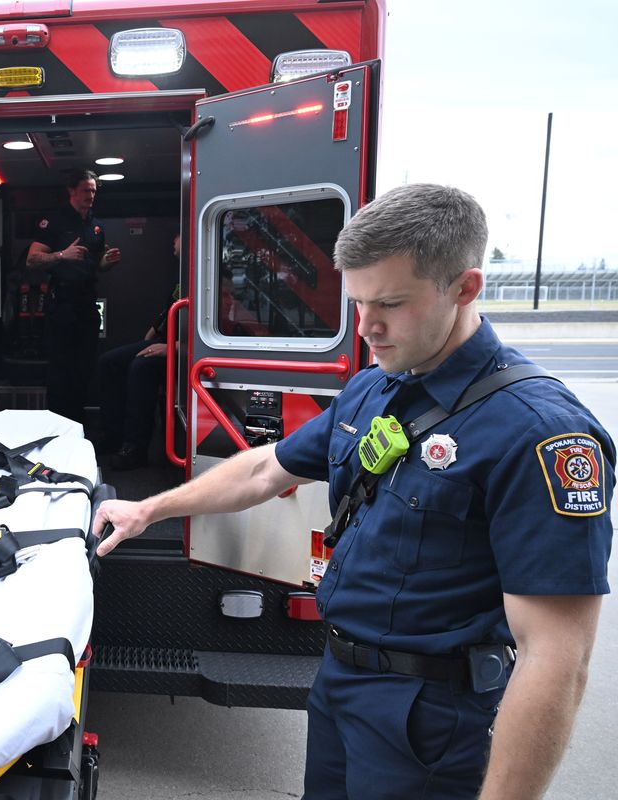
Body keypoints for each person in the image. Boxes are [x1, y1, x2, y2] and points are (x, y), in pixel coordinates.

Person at [93, 184, 614, 799]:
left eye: (391, 303)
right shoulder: (377, 389)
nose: (367, 328)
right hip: (339, 680)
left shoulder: (539, 433)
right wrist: (149, 509)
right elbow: (267, 470)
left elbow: (556, 658)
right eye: (358, 303)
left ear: (466, 288)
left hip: (429, 716)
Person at [26, 169, 122, 422]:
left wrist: (107, 261)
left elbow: (98, 265)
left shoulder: (96, 226)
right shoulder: (54, 221)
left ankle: (78, 427)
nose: (90, 195)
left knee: (84, 370)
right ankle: (57, 429)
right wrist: (61, 255)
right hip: (62, 304)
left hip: (87, 304)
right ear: (72, 190)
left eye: (93, 191)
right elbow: (32, 260)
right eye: (85, 190)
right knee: (60, 372)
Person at [97, 233, 180, 470]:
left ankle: (135, 447)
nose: (173, 241)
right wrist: (154, 331)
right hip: (167, 340)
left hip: (185, 349)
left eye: (177, 237)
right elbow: (171, 310)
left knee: (141, 366)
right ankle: (113, 436)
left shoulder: (202, 272)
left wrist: (173, 348)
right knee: (108, 362)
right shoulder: (182, 275)